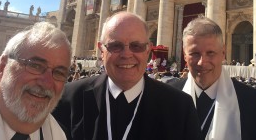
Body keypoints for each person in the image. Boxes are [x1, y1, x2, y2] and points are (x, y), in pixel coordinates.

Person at [53, 11, 202, 140]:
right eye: (115, 46)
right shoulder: (68, 99)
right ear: (101, 50)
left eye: (136, 46)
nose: (126, 54)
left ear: (148, 50)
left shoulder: (180, 107)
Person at [169, 17, 256, 140]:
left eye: (210, 53)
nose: (202, 62)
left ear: (223, 53)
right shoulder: (164, 98)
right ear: (185, 55)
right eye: (195, 53)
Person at [0, 22, 72, 139]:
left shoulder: (59, 135)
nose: (47, 83)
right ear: (3, 66)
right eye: (35, 65)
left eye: (59, 72)